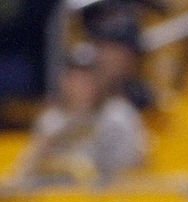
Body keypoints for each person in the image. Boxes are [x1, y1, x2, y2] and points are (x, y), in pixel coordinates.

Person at [13, 43, 147, 186]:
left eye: (88, 78)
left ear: (101, 80)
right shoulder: (51, 120)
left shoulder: (118, 116)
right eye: (75, 77)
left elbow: (129, 172)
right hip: (55, 201)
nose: (81, 84)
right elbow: (24, 176)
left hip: (104, 201)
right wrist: (42, 153)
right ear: (64, 81)